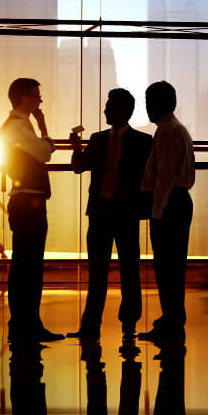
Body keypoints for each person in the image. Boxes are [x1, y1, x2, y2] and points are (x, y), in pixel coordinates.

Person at [67, 88, 153, 340]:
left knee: (129, 270)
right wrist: (76, 148)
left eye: (110, 106)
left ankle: (128, 323)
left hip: (125, 213)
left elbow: (148, 178)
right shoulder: (97, 138)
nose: (105, 110)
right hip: (100, 212)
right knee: (97, 271)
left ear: (125, 111)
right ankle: (91, 324)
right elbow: (78, 168)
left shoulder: (143, 142)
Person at [0, 78, 64, 342]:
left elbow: (40, 151)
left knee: (25, 264)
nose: (40, 100)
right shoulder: (16, 127)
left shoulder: (19, 126)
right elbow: (43, 153)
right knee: (29, 265)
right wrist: (45, 129)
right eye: (36, 95)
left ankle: (24, 322)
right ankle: (27, 324)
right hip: (28, 203)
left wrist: (41, 132)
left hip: (27, 202)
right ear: (24, 98)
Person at [139, 81, 195, 341]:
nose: (147, 108)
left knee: (166, 266)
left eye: (149, 102)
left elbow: (165, 176)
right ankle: (173, 316)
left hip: (169, 204)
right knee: (175, 265)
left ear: (160, 104)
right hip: (179, 202)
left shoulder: (167, 132)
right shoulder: (177, 129)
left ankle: (171, 319)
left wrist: (157, 212)